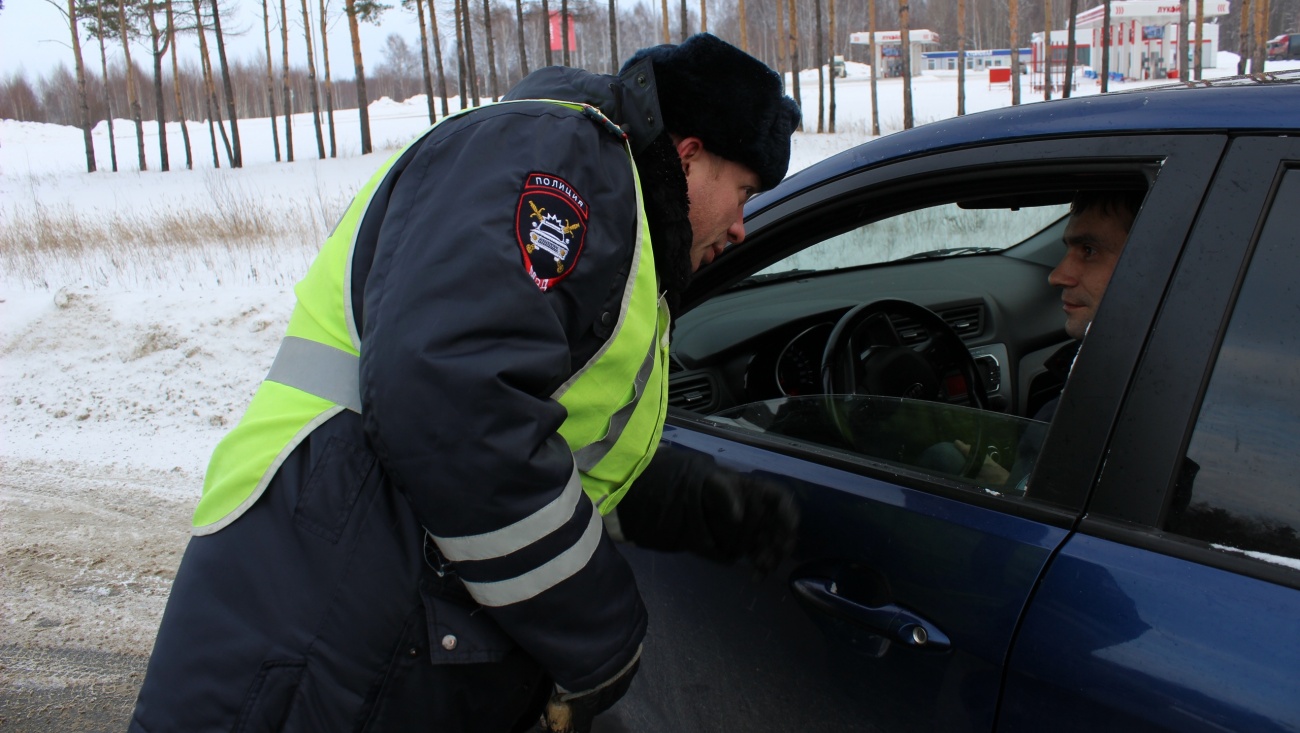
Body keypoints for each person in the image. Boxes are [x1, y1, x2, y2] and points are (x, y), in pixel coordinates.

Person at [129, 33, 801, 733]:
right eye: (745, 192)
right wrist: (598, 625)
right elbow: (449, 395)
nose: (741, 226)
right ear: (690, 154)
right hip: (315, 621)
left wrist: (693, 501)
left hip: (372, 623)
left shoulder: (620, 219)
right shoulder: (564, 165)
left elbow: (550, 434)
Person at [945, 189, 1145, 487]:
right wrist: (1011, 481)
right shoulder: (1126, 374)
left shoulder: (1136, 408)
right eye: (1068, 250)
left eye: (1089, 250)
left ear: (1155, 263)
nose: (1057, 276)